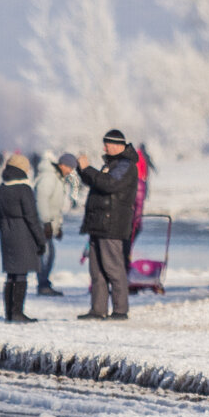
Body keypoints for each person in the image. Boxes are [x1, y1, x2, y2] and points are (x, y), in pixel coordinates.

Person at [76, 129, 138, 321]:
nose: (104, 147)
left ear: (118, 145)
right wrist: (82, 170)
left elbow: (109, 184)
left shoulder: (126, 165)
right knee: (96, 271)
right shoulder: (111, 164)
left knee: (113, 268)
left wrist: (88, 169)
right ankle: (98, 309)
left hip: (112, 225)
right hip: (99, 224)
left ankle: (120, 310)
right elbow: (97, 182)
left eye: (107, 144)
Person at [0, 153, 47, 323]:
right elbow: (32, 217)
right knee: (21, 274)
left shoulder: (2, 187)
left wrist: (3, 227)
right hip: (23, 234)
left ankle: (9, 312)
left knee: (11, 274)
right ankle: (18, 312)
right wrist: (40, 240)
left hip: (6, 234)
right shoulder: (24, 189)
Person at [33, 152, 78, 296]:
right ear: (62, 165)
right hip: (42, 223)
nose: (70, 171)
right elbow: (41, 201)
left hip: (48, 224)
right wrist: (46, 222)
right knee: (46, 254)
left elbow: (56, 207)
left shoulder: (58, 179)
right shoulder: (49, 178)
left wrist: (58, 227)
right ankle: (43, 285)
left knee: (49, 254)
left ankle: (44, 283)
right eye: (69, 168)